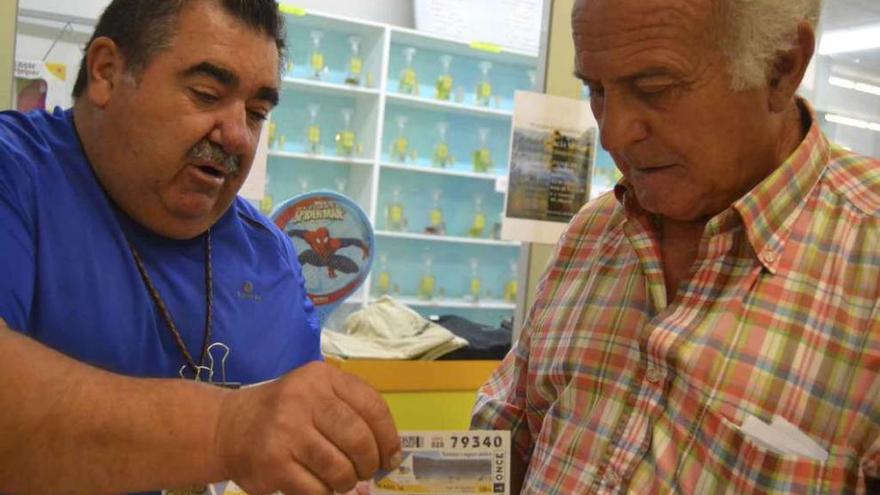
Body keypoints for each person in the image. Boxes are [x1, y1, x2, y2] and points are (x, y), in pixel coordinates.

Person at [471, 0, 880, 493]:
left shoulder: (867, 256)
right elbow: (504, 446)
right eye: (596, 90)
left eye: (654, 89)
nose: (612, 133)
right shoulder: (591, 232)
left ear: (780, 67)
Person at [0, 1, 401, 493]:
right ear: (107, 72)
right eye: (207, 94)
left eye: (256, 114)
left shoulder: (269, 255)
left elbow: (300, 445)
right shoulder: (15, 177)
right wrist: (224, 429)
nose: (236, 136)